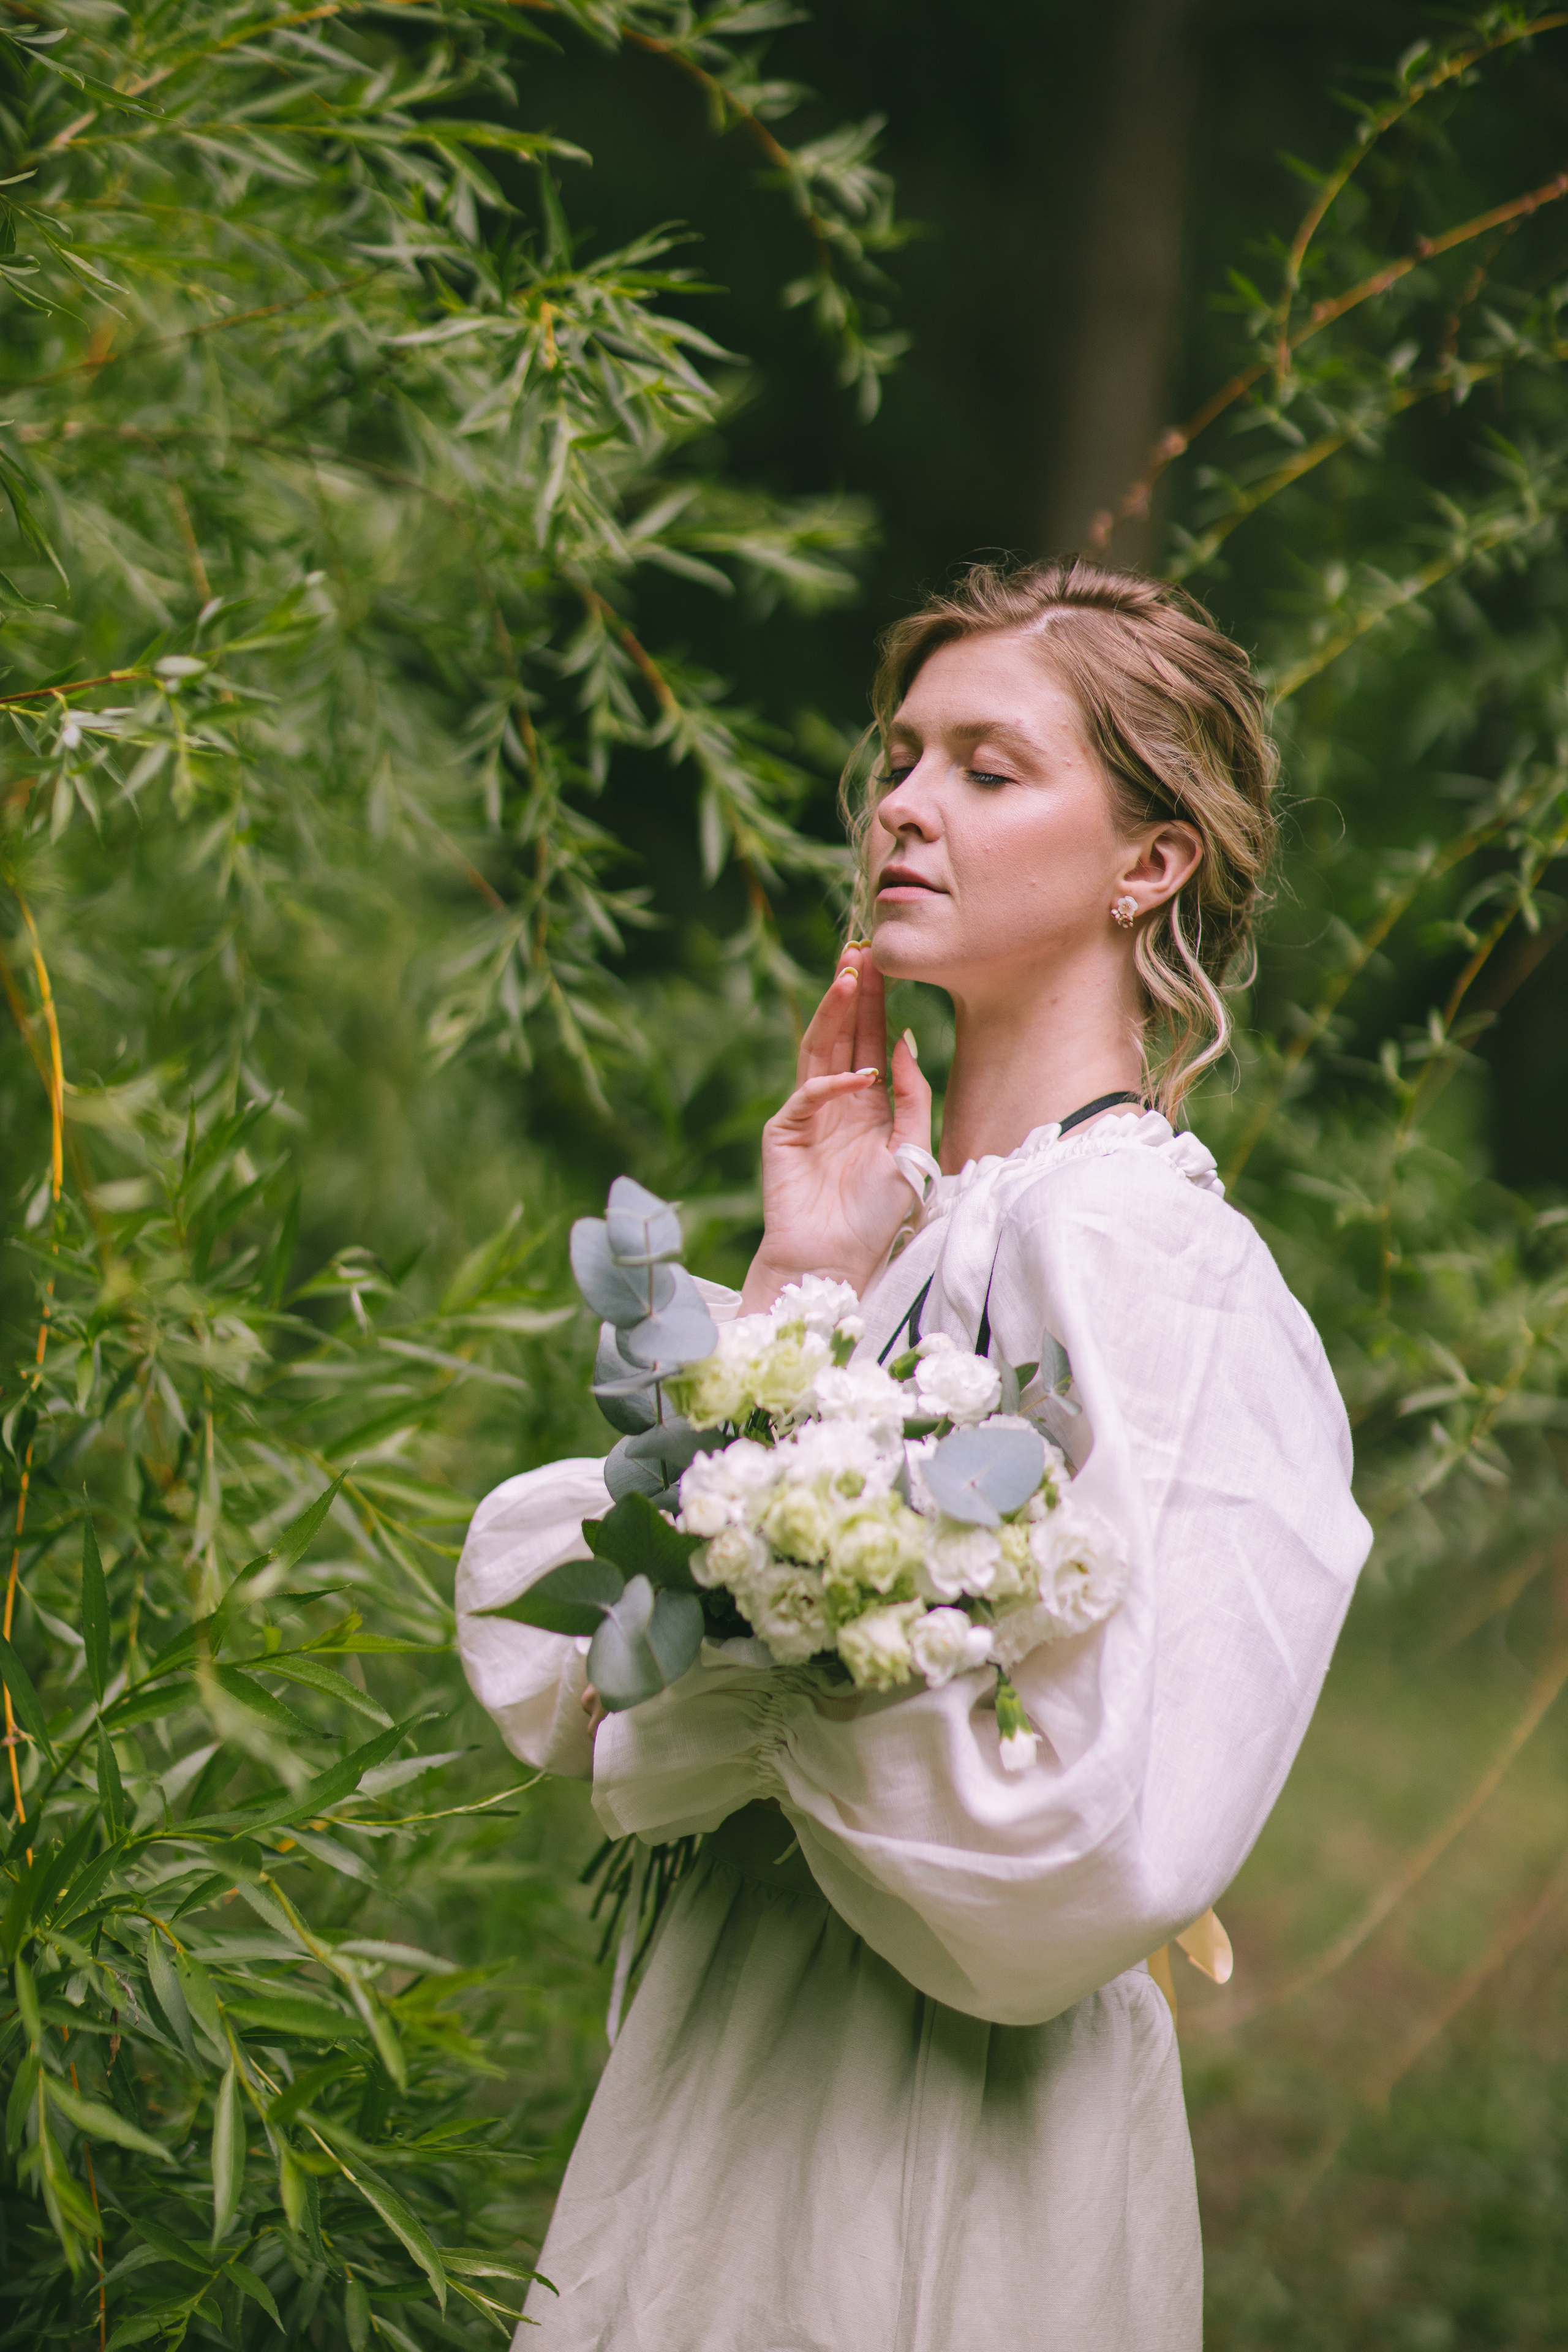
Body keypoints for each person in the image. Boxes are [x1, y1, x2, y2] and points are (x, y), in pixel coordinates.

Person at [456, 558, 1373, 2351]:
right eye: (898, 757)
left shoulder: (1150, 1262)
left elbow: (1119, 1836)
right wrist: (808, 1270)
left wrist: (790, 1683)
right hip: (747, 2054)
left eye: (985, 766)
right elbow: (577, 1682)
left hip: (943, 2108)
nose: (899, 802)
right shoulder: (925, 1238)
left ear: (1150, 859)